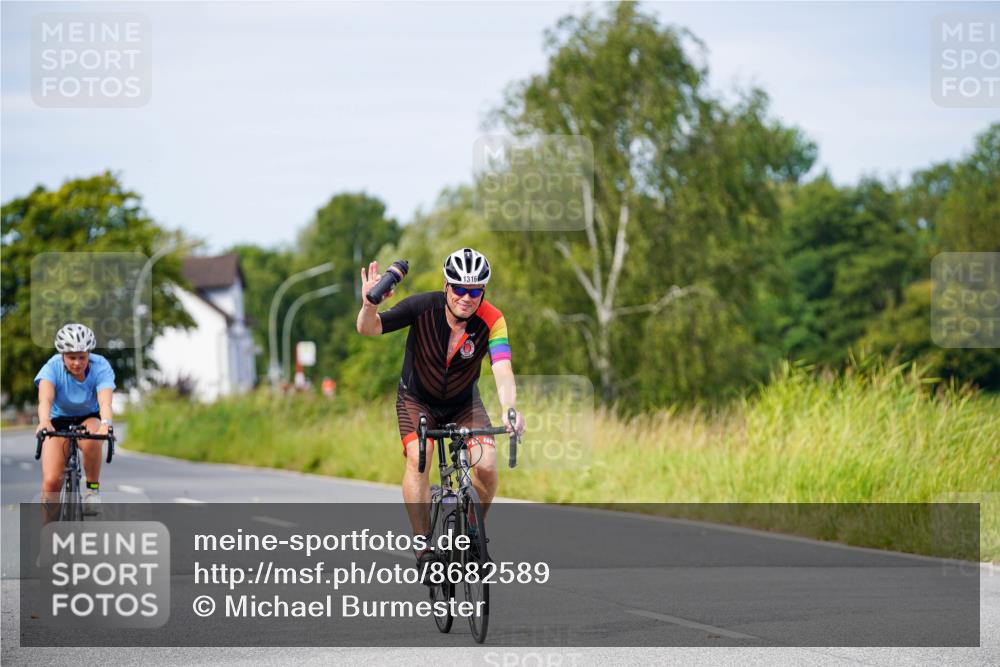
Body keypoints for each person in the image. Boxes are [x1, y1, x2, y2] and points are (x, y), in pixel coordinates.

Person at [356, 248, 525, 570]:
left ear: (483, 292)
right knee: (421, 456)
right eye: (459, 288)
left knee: (487, 463)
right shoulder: (421, 307)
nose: (466, 297)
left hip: (463, 402)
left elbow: (502, 367)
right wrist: (368, 304)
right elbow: (369, 328)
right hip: (416, 399)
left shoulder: (493, 319)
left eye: (475, 291)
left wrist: (510, 409)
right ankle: (423, 546)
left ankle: (473, 535)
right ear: (446, 286)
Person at [34, 323, 116, 515]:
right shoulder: (52, 367)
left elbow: (105, 401)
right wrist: (44, 421)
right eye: (71, 358)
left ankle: (92, 491)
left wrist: (106, 425)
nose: (77, 363)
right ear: (62, 355)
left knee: (92, 438)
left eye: (82, 357)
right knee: (52, 481)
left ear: (89, 354)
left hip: (88, 417)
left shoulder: (100, 365)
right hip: (57, 420)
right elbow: (45, 398)